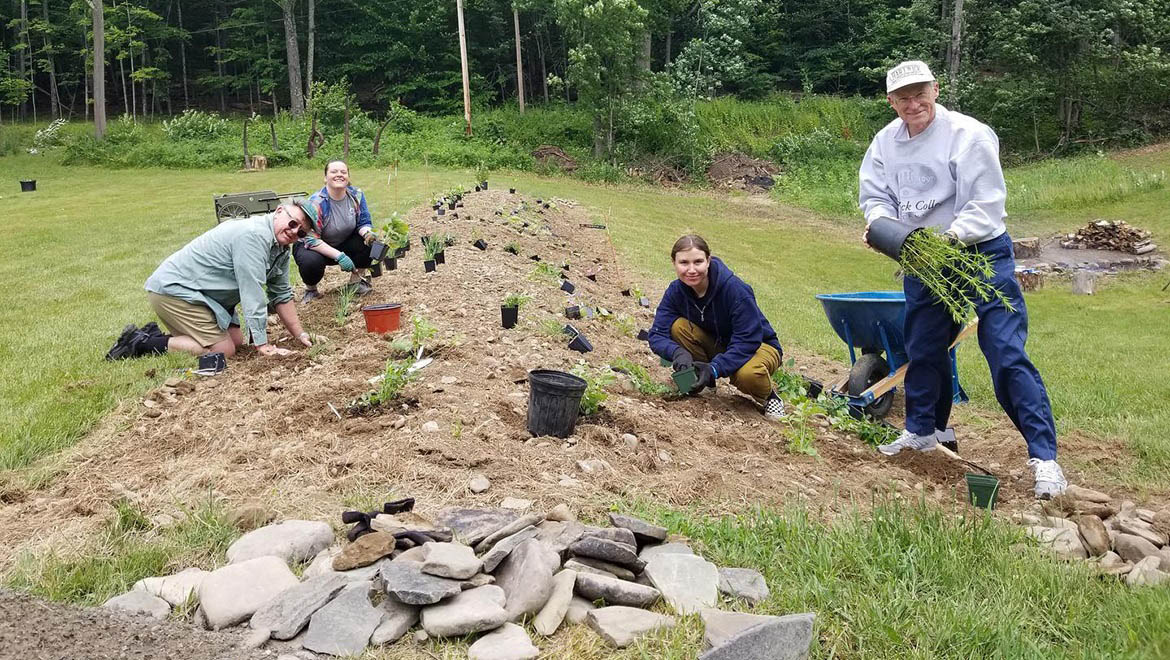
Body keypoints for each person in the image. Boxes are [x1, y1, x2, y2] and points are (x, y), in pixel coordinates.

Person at [858, 60, 1066, 498]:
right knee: (923, 347)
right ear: (890, 101)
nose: (913, 104)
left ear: (936, 89)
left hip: (979, 250)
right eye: (903, 97)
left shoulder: (968, 135)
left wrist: (949, 238)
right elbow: (874, 195)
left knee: (1004, 351)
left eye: (920, 93)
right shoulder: (884, 143)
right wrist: (884, 228)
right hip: (923, 256)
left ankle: (1045, 459)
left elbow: (986, 205)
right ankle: (922, 432)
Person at [106, 201, 315, 360]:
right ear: (279, 211)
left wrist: (300, 334)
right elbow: (252, 292)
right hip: (175, 292)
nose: (294, 231)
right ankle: (141, 343)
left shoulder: (280, 248)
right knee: (223, 350)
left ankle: (156, 334)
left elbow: (281, 295)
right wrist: (263, 344)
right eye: (293, 223)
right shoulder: (254, 236)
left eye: (301, 232)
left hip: (207, 298)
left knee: (236, 341)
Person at [648, 234, 786, 420]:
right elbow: (657, 334)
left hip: (758, 346)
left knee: (747, 375)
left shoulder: (735, 289)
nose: (691, 269)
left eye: (698, 262)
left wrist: (715, 367)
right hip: (720, 344)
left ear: (708, 260)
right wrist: (677, 353)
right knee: (679, 326)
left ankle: (770, 397)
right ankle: (703, 382)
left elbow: (747, 341)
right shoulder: (675, 291)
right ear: (674, 262)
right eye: (684, 263)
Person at [296, 159, 377, 302]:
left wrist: (368, 234)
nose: (339, 175)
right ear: (325, 177)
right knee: (310, 262)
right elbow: (311, 238)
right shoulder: (316, 203)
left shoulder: (356, 195)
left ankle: (355, 283)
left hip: (342, 241)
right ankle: (311, 290)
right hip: (315, 247)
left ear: (348, 177)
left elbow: (363, 222)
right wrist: (339, 256)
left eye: (343, 172)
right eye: (334, 172)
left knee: (370, 245)